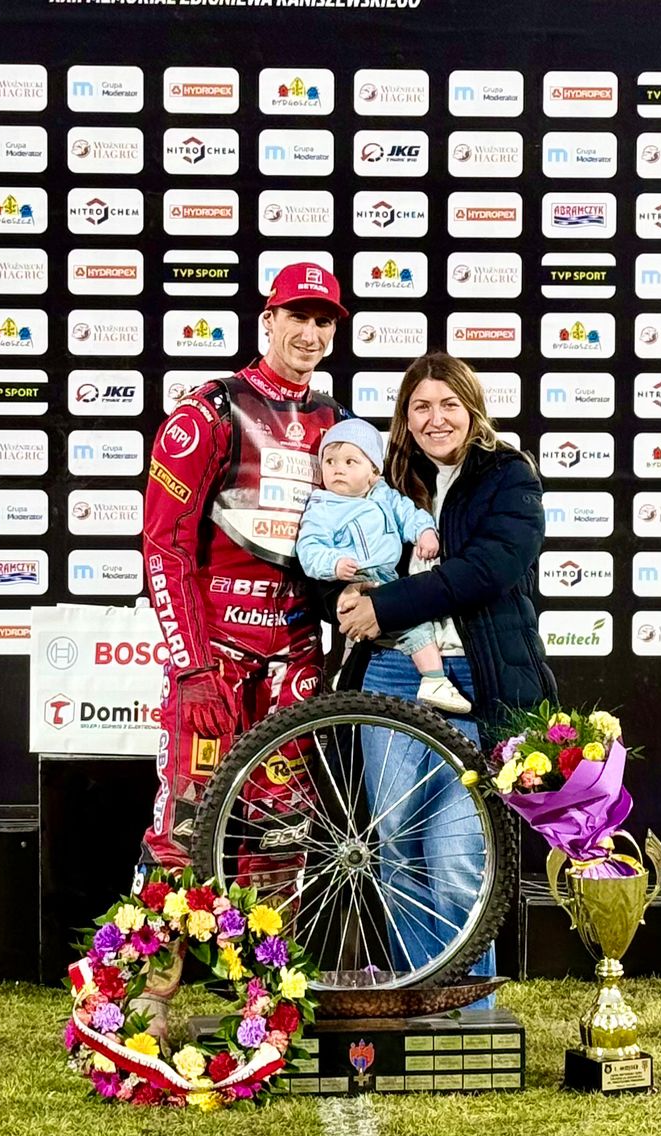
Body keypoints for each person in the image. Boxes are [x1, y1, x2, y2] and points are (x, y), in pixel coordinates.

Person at [130, 262, 349, 1044]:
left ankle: (264, 995)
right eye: (298, 316)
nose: (309, 333)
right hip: (217, 655)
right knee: (185, 826)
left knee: (283, 829)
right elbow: (163, 544)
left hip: (296, 656)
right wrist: (192, 665)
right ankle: (149, 997)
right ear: (268, 319)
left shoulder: (336, 422)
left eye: (323, 321)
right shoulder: (210, 410)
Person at [334, 352, 556, 985]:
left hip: (473, 678)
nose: (436, 419)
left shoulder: (509, 474)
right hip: (390, 674)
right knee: (396, 849)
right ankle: (422, 999)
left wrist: (385, 604)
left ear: (472, 407)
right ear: (404, 417)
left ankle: (467, 1012)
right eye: (421, 407)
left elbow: (488, 570)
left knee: (459, 856)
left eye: (449, 404)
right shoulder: (383, 478)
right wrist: (343, 597)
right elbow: (329, 550)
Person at [295, 418, 470, 714]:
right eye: (329, 461)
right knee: (405, 625)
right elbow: (309, 548)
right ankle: (434, 679)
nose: (338, 469)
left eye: (350, 461)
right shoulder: (322, 506)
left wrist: (425, 532)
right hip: (356, 578)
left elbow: (409, 514)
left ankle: (348, 675)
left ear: (374, 471)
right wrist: (333, 564)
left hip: (387, 577)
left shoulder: (385, 495)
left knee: (391, 625)